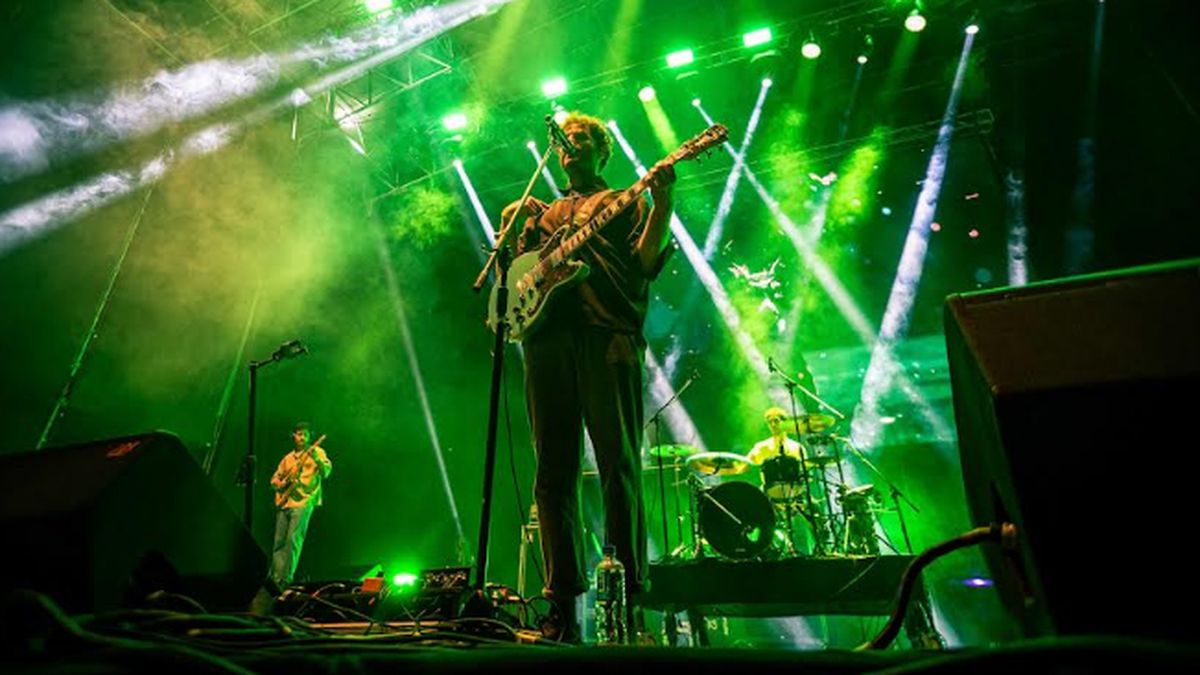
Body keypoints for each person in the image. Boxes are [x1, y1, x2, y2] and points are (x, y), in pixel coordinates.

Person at [501, 112, 676, 643]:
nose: (570, 146)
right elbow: (518, 272)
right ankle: (561, 606)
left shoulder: (623, 200)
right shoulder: (544, 212)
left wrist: (662, 201)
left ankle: (626, 599)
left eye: (582, 140)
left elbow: (645, 262)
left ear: (602, 152)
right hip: (546, 343)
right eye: (565, 141)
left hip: (608, 337)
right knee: (550, 474)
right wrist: (511, 224)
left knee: (616, 463)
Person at [257, 423, 331, 609]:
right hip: (285, 501)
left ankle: (285, 580)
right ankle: (275, 579)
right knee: (279, 541)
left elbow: (326, 472)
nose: (302, 437)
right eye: (298, 434)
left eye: (305, 434)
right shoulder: (288, 458)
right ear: (293, 436)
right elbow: (275, 478)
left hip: (303, 502)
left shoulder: (318, 452)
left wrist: (316, 458)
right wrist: (279, 484)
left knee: (293, 539)